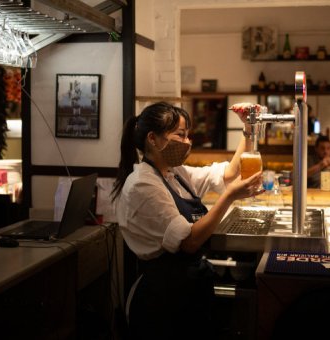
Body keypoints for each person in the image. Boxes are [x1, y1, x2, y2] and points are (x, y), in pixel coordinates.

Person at [111, 102, 263, 339]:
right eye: (180, 135)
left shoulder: (175, 173)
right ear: (153, 138)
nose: (187, 142)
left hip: (189, 286)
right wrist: (230, 195)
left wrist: (248, 128)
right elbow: (189, 241)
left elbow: (229, 173)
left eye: (188, 135)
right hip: (162, 297)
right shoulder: (143, 184)